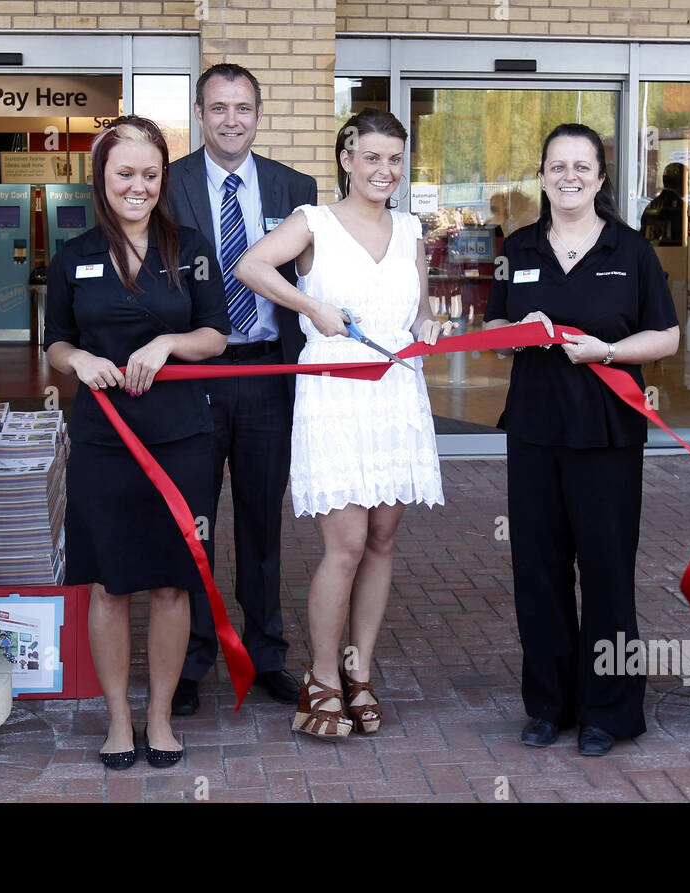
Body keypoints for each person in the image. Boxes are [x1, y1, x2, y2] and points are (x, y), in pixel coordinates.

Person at [234, 108, 451, 738]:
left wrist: (426, 326)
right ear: (347, 160)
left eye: (394, 158)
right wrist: (312, 307)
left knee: (383, 541)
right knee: (347, 545)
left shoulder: (411, 228)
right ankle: (322, 677)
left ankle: (360, 672)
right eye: (371, 157)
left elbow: (417, 308)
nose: (384, 170)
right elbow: (250, 266)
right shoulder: (313, 223)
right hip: (334, 390)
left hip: (395, 393)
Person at [483, 123, 680, 756]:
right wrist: (521, 329)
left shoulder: (631, 250)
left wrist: (610, 352)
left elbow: (667, 337)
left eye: (581, 166)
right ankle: (549, 706)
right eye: (556, 166)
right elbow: (490, 330)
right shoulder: (517, 247)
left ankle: (609, 712)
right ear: (541, 176)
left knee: (606, 574)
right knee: (537, 574)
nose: (568, 176)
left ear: (599, 178)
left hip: (608, 436)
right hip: (536, 433)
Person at [43, 116, 230, 769]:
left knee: (174, 584)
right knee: (110, 585)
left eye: (150, 174)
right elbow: (56, 341)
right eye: (125, 172)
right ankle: (119, 721)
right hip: (104, 440)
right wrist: (78, 362)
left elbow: (216, 336)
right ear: (102, 178)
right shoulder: (74, 255)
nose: (139, 186)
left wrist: (167, 342)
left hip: (181, 437)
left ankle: (160, 718)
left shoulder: (193, 250)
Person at [165, 63, 319, 714]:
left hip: (266, 373)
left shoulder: (296, 186)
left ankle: (266, 656)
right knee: (193, 522)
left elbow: (315, 278)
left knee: (261, 522)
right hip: (196, 372)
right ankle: (195, 659)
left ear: (259, 114)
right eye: (219, 108)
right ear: (200, 115)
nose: (232, 119)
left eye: (243, 108)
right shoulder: (168, 184)